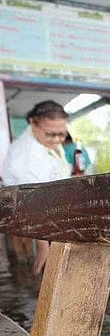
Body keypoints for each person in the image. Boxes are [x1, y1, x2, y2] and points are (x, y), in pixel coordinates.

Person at [0, 100, 72, 274]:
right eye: (50, 134)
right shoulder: (24, 155)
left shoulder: (45, 143)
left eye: (61, 134)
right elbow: (30, 200)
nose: (56, 139)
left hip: (52, 217)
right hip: (34, 225)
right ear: (32, 123)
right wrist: (42, 243)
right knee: (36, 272)